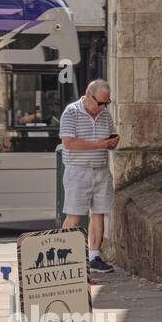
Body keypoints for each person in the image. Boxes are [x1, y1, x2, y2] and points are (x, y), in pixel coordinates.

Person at [59, 79, 119, 274]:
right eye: (100, 103)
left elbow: (109, 138)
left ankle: (94, 256)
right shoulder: (71, 112)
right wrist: (98, 145)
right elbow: (69, 143)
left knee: (99, 213)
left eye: (106, 103)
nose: (102, 107)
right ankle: (66, 258)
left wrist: (112, 142)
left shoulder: (105, 114)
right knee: (74, 215)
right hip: (78, 170)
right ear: (88, 96)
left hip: (100, 169)